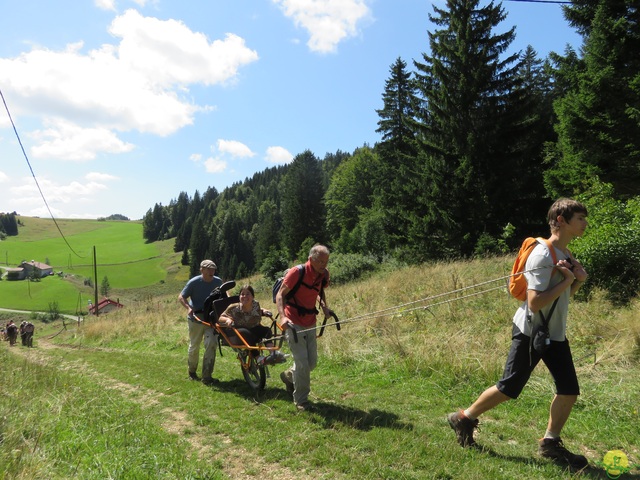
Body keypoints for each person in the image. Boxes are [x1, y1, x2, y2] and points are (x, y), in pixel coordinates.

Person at [447, 198, 589, 469]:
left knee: (569, 389)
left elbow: (562, 297)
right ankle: (463, 417)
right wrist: (569, 280)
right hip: (530, 330)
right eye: (580, 218)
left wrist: (577, 282)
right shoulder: (543, 255)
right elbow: (535, 303)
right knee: (509, 388)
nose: (585, 223)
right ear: (561, 220)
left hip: (553, 333)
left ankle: (550, 443)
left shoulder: (566, 255)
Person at [276, 244, 332, 412]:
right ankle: (301, 401)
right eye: (320, 261)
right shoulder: (296, 272)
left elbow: (319, 291)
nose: (324, 265)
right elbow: (280, 295)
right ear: (311, 259)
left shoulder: (323, 275)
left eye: (326, 261)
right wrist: (282, 317)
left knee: (311, 363)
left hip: (310, 321)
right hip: (293, 320)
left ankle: (288, 376)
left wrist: (324, 307)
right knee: (302, 363)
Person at [178, 259, 223, 385]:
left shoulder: (218, 281)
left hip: (211, 318)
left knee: (211, 344)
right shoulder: (194, 282)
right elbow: (181, 297)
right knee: (195, 345)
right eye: (208, 269)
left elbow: (224, 295)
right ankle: (192, 371)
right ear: (201, 269)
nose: (211, 271)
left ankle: (207, 376)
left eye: (213, 269)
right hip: (195, 318)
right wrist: (189, 308)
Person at [217, 285, 286, 364]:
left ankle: (273, 353)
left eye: (248, 294)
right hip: (238, 330)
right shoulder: (233, 307)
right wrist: (227, 320)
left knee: (266, 330)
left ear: (252, 297)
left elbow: (258, 310)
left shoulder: (255, 304)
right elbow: (220, 318)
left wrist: (264, 311)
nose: (245, 296)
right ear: (239, 297)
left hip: (253, 327)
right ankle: (258, 357)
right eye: (242, 294)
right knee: (246, 333)